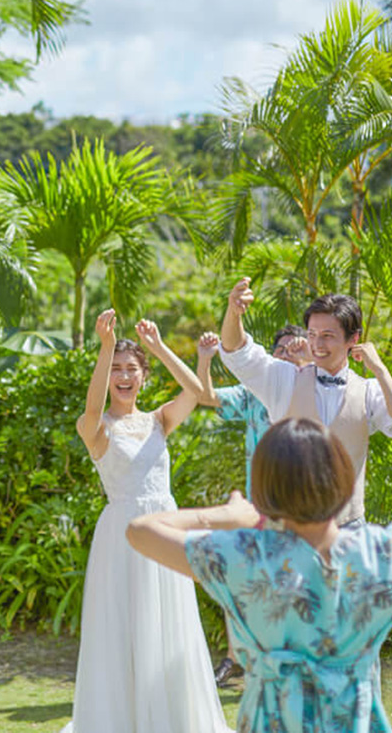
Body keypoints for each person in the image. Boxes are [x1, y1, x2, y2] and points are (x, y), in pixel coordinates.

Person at [126, 396, 392, 733]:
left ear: (265, 487)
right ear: (342, 479)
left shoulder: (243, 557)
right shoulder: (380, 555)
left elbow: (140, 530)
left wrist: (226, 515)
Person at [66, 310, 228, 733]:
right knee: (123, 628)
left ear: (143, 376)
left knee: (168, 625)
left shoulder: (159, 420)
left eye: (131, 369)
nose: (123, 376)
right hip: (121, 537)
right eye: (116, 370)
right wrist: (106, 347)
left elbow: (197, 391)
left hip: (167, 531)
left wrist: (158, 347)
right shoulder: (95, 427)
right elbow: (92, 405)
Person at [219, 281, 392, 526]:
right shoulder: (285, 380)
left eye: (327, 336)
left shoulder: (368, 391)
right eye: (312, 335)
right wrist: (233, 312)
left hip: (349, 528)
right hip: (291, 526)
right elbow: (237, 352)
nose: (317, 345)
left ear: (353, 338)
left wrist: (380, 370)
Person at [194, 325, 311, 686]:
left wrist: (305, 364)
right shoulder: (252, 394)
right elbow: (206, 396)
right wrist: (204, 359)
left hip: (300, 507)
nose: (286, 354)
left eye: (294, 348)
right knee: (241, 580)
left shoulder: (314, 391)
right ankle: (235, 657)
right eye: (280, 349)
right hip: (257, 505)